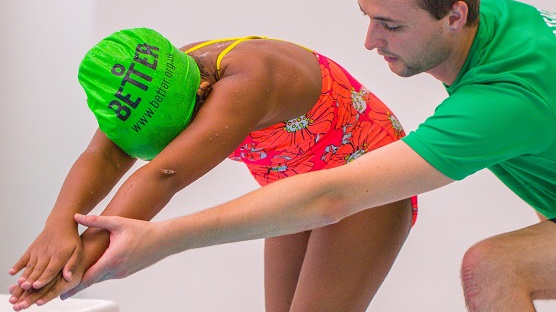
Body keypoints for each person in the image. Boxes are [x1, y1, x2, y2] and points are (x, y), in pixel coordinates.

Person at [11, 0, 556, 310]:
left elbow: (332, 197)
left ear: (454, 15)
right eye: (365, 16)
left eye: (389, 24)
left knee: (491, 266)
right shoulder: (500, 20)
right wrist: (59, 227)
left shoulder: (501, 100)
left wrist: (150, 242)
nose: (369, 43)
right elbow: (113, 150)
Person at [7, 28, 418, 312]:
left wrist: (74, 262)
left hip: (368, 178)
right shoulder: (153, 78)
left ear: (201, 96)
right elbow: (105, 154)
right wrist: (58, 224)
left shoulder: (248, 81)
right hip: (293, 181)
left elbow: (163, 175)